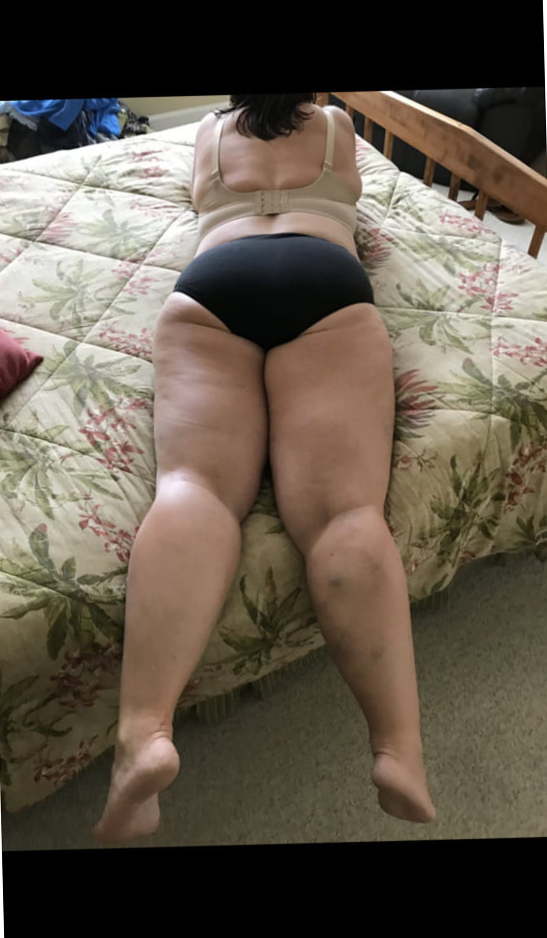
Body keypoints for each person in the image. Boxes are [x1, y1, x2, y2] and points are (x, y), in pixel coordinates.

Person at [93, 93, 436, 845]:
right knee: (345, 513)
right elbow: (353, 201)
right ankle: (397, 751)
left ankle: (144, 736)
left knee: (195, 487)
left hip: (216, 280)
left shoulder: (209, 133)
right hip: (323, 277)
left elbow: (198, 200)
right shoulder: (339, 127)